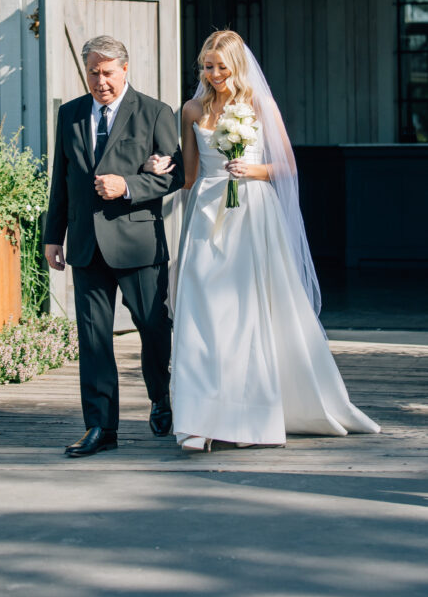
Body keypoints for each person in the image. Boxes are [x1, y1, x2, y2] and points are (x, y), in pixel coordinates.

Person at [145, 29, 380, 451]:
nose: (213, 74)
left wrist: (250, 171)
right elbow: (191, 176)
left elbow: (287, 166)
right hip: (205, 214)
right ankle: (199, 419)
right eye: (207, 66)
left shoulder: (258, 104)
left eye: (220, 66)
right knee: (201, 309)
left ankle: (247, 415)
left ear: (236, 65)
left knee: (245, 312)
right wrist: (166, 164)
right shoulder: (192, 109)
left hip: (250, 212)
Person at [44, 35, 184, 458]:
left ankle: (163, 396)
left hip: (138, 242)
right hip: (86, 245)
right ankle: (101, 428)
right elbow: (61, 182)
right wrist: (52, 236)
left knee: (153, 327)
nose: (100, 80)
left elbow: (176, 175)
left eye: (107, 72)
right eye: (93, 72)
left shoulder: (155, 112)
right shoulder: (69, 115)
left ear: (125, 69)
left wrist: (128, 186)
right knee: (93, 339)